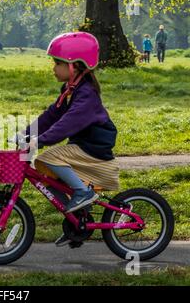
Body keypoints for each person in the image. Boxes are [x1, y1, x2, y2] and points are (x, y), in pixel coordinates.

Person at [22, 32, 119, 247]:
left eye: (57, 63)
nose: (53, 68)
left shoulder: (86, 94)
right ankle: (75, 219)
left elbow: (68, 124)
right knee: (48, 175)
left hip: (92, 149)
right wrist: (26, 134)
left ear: (73, 65)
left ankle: (83, 193)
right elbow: (52, 115)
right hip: (81, 146)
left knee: (47, 158)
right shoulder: (70, 90)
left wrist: (40, 141)